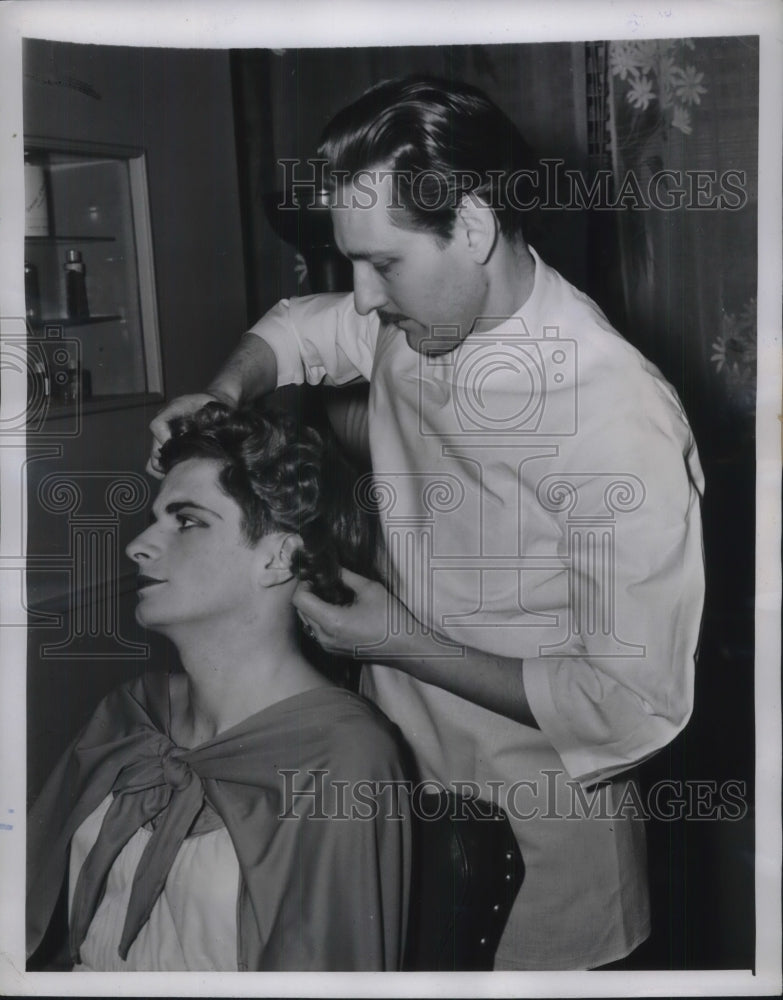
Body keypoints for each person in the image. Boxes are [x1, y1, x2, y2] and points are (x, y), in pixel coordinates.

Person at [147, 77, 705, 971]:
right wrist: (221, 391)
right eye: (352, 265)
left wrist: (398, 640)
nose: (363, 300)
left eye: (383, 266)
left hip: (546, 853)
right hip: (402, 786)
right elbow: (298, 330)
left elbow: (629, 703)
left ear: (475, 228)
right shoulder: (429, 310)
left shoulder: (613, 415)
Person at [27, 403, 411, 972]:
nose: (138, 546)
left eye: (187, 521)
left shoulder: (343, 759)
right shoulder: (130, 714)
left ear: (278, 558)